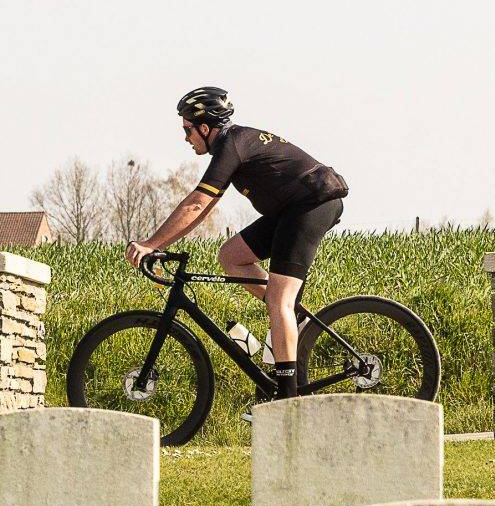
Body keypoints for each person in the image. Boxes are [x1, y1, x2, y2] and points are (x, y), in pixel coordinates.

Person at [125, 86, 350, 400]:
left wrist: (150, 244)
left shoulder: (233, 145)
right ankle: (291, 314)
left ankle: (287, 397)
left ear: (206, 127)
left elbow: (196, 204)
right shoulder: (232, 145)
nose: (186, 137)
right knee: (232, 256)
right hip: (290, 209)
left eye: (188, 129)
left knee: (278, 300)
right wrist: (160, 242)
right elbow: (203, 207)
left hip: (312, 204)